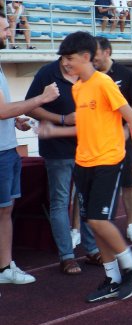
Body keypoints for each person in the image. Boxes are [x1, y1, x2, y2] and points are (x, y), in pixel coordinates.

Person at [38, 31, 132, 302]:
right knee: (92, 223)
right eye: (63, 59)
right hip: (83, 162)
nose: (65, 64)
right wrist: (54, 132)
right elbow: (84, 127)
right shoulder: (78, 88)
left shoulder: (104, 84)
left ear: (86, 57)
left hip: (108, 161)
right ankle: (112, 278)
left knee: (99, 220)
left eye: (69, 58)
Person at [25, 58, 102, 275]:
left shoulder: (90, 73)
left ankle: (92, 249)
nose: (69, 64)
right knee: (60, 201)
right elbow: (31, 106)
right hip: (57, 150)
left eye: (74, 58)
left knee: (87, 200)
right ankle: (66, 256)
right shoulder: (47, 73)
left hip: (87, 148)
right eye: (66, 58)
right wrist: (62, 119)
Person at [0, 12, 58, 286]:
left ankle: (5, 267)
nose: (8, 33)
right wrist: (42, 98)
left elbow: (3, 112)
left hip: (7, 149)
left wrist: (15, 119)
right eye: (3, 29)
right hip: (1, 153)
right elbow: (1, 111)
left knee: (6, 210)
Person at [94, 37, 132, 243]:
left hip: (123, 141)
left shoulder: (125, 74)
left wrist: (125, 131)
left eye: (95, 52)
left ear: (107, 52)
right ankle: (81, 229)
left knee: (128, 182)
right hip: (97, 142)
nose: (92, 57)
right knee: (92, 185)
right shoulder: (89, 77)